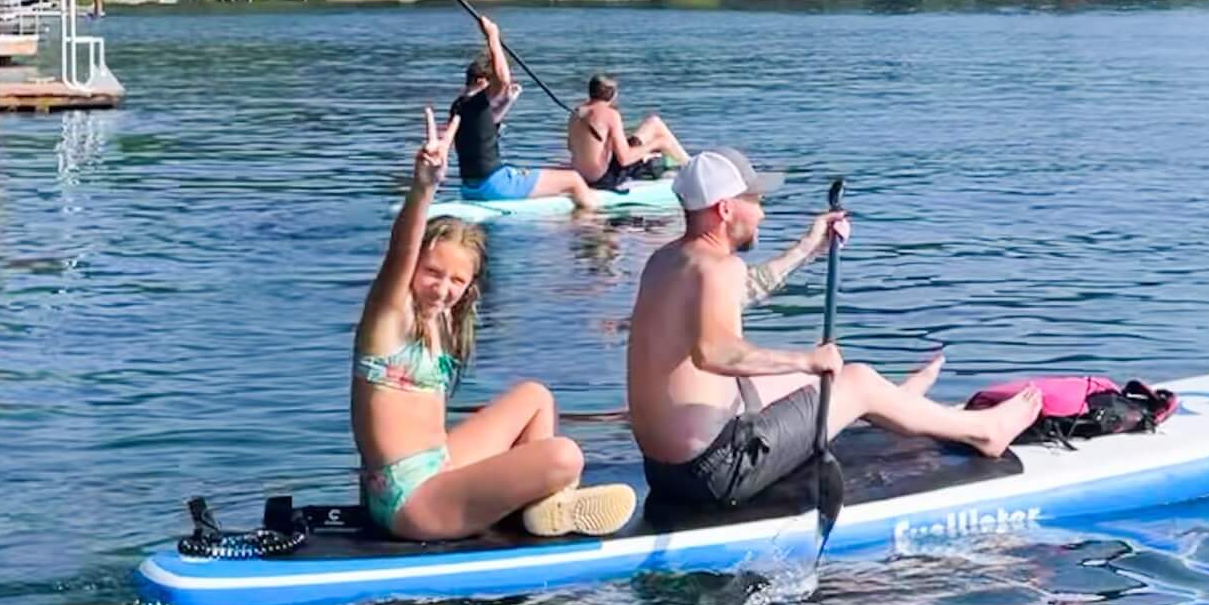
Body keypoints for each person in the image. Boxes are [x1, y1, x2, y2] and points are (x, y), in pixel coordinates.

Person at [625, 150, 1041, 515]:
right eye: (755, 200)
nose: (763, 211)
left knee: (812, 382)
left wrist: (808, 247)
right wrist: (807, 357)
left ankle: (892, 405)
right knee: (851, 378)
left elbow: (739, 295)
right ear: (726, 209)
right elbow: (713, 352)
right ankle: (985, 432)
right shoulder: (718, 267)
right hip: (717, 473)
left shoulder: (668, 261)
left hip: (665, 473)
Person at [354, 103, 636, 540]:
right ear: (414, 271)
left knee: (536, 396)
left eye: (456, 280)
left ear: (469, 285)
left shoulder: (443, 320)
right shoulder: (392, 317)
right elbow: (401, 252)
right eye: (432, 273)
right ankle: (550, 505)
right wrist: (423, 187)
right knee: (564, 456)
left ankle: (548, 507)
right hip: (409, 499)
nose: (443, 287)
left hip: (436, 466)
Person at [449, 14, 601, 212]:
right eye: (490, 87)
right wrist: (492, 36)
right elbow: (502, 80)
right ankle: (595, 224)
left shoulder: (459, 105)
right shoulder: (477, 102)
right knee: (574, 179)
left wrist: (506, 102)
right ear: (479, 83)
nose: (496, 93)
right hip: (494, 185)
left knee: (543, 176)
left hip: (470, 188)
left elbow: (483, 129)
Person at [568, 74, 688, 190]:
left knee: (654, 122)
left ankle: (688, 163)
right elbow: (624, 159)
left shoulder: (576, 113)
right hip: (603, 179)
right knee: (662, 140)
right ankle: (690, 167)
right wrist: (654, 145)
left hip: (581, 176)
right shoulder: (610, 114)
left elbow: (571, 147)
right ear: (613, 94)